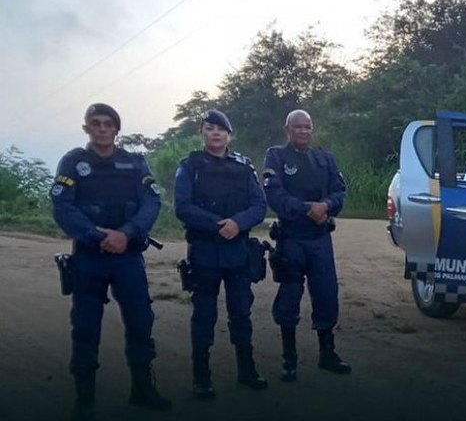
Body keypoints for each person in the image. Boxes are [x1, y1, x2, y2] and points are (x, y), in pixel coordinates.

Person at [50, 103, 172, 420]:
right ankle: (85, 399)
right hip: (90, 257)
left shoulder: (134, 163)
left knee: (141, 322)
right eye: (96, 123)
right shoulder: (74, 162)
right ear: (87, 128)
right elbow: (63, 207)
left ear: (117, 129)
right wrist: (97, 235)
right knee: (86, 327)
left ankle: (143, 389)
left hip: (128, 256)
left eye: (108, 124)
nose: (103, 129)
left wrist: (127, 234)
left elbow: (151, 202)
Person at [174, 109, 268, 399]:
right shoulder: (190, 166)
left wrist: (238, 223)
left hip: (237, 251)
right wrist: (219, 226)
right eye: (209, 128)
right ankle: (201, 377)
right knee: (204, 316)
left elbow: (259, 205)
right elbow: (183, 206)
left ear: (229, 134)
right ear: (202, 133)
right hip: (205, 251)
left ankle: (247, 371)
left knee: (241, 313)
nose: (215, 133)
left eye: (221, 129)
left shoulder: (243, 167)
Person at [262, 109, 350, 382]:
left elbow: (340, 192)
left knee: (326, 295)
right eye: (297, 126)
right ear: (287, 129)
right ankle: (290, 360)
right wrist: (306, 209)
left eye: (307, 126)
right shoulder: (276, 156)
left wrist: (326, 206)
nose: (303, 131)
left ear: (312, 129)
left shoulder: (325, 158)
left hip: (320, 239)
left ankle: (328, 354)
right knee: (289, 298)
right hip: (291, 239)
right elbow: (274, 195)